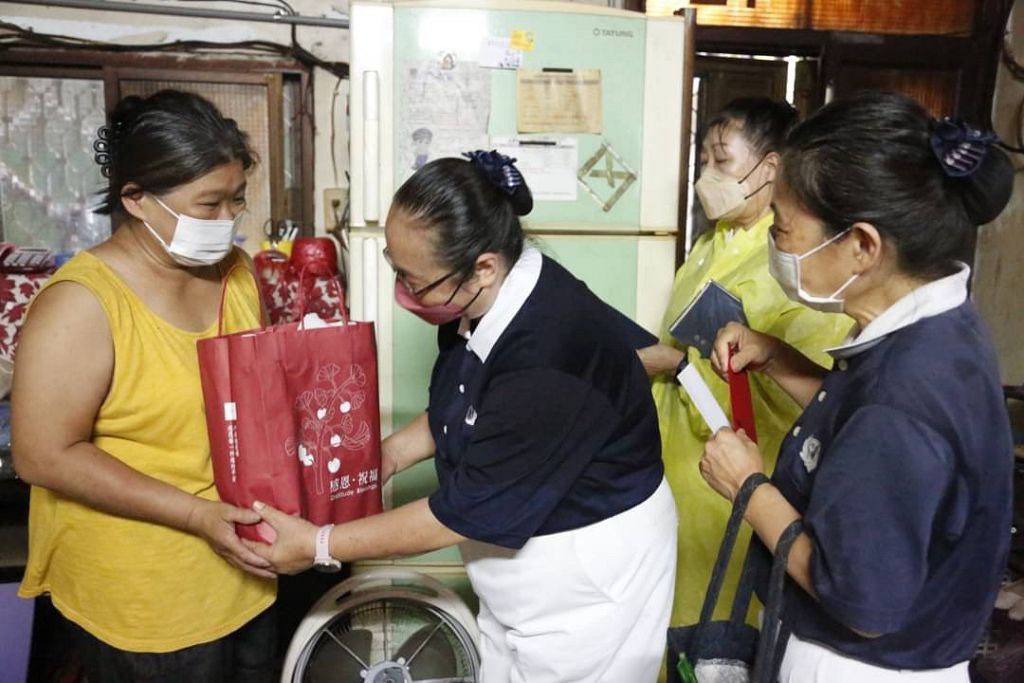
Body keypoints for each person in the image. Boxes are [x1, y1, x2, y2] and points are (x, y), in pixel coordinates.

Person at [250, 151, 677, 683]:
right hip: (516, 567)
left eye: (415, 282)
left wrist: (319, 544)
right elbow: (464, 405)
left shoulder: (545, 354)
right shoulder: (478, 302)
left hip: (587, 581)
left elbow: (457, 513)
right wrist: (388, 456)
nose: (404, 293)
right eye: (395, 268)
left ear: (484, 267)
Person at [700, 91, 1016, 681]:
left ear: (862, 246)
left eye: (782, 227)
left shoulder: (904, 398)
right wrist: (780, 360)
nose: (774, 243)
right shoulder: (938, 322)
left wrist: (747, 487)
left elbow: (861, 601)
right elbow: (861, 429)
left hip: (856, 666)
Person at [13, 90, 276, 682]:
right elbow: (43, 455)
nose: (226, 221)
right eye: (207, 204)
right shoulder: (82, 304)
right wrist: (197, 516)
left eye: (236, 200)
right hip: (143, 595)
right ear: (136, 199)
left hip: (245, 574)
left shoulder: (236, 275)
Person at [638, 98, 852, 630]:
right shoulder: (709, 245)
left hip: (743, 468)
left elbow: (815, 395)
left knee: (722, 623)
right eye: (704, 162)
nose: (706, 176)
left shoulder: (795, 259)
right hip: (676, 462)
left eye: (721, 160)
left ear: (771, 167)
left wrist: (684, 364)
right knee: (668, 614)